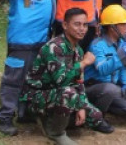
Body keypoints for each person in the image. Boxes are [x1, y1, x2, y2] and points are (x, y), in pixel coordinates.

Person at [0, 0, 58, 136]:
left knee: (33, 78)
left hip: (41, 38)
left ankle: (24, 112)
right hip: (22, 37)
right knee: (13, 79)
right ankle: (5, 117)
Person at [21, 8, 113, 144]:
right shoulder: (54, 47)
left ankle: (57, 118)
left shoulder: (78, 49)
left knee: (96, 116)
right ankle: (55, 132)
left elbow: (79, 82)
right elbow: (61, 79)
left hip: (60, 93)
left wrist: (81, 106)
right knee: (69, 94)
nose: (82, 29)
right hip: (37, 96)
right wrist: (83, 63)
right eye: (77, 24)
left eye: (85, 25)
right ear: (65, 25)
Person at [84, 5, 126, 122]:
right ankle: (96, 118)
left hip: (111, 88)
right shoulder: (97, 45)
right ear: (112, 27)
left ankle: (105, 108)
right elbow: (102, 69)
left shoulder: (121, 43)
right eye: (122, 24)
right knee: (110, 89)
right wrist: (119, 55)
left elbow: (123, 68)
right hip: (94, 87)